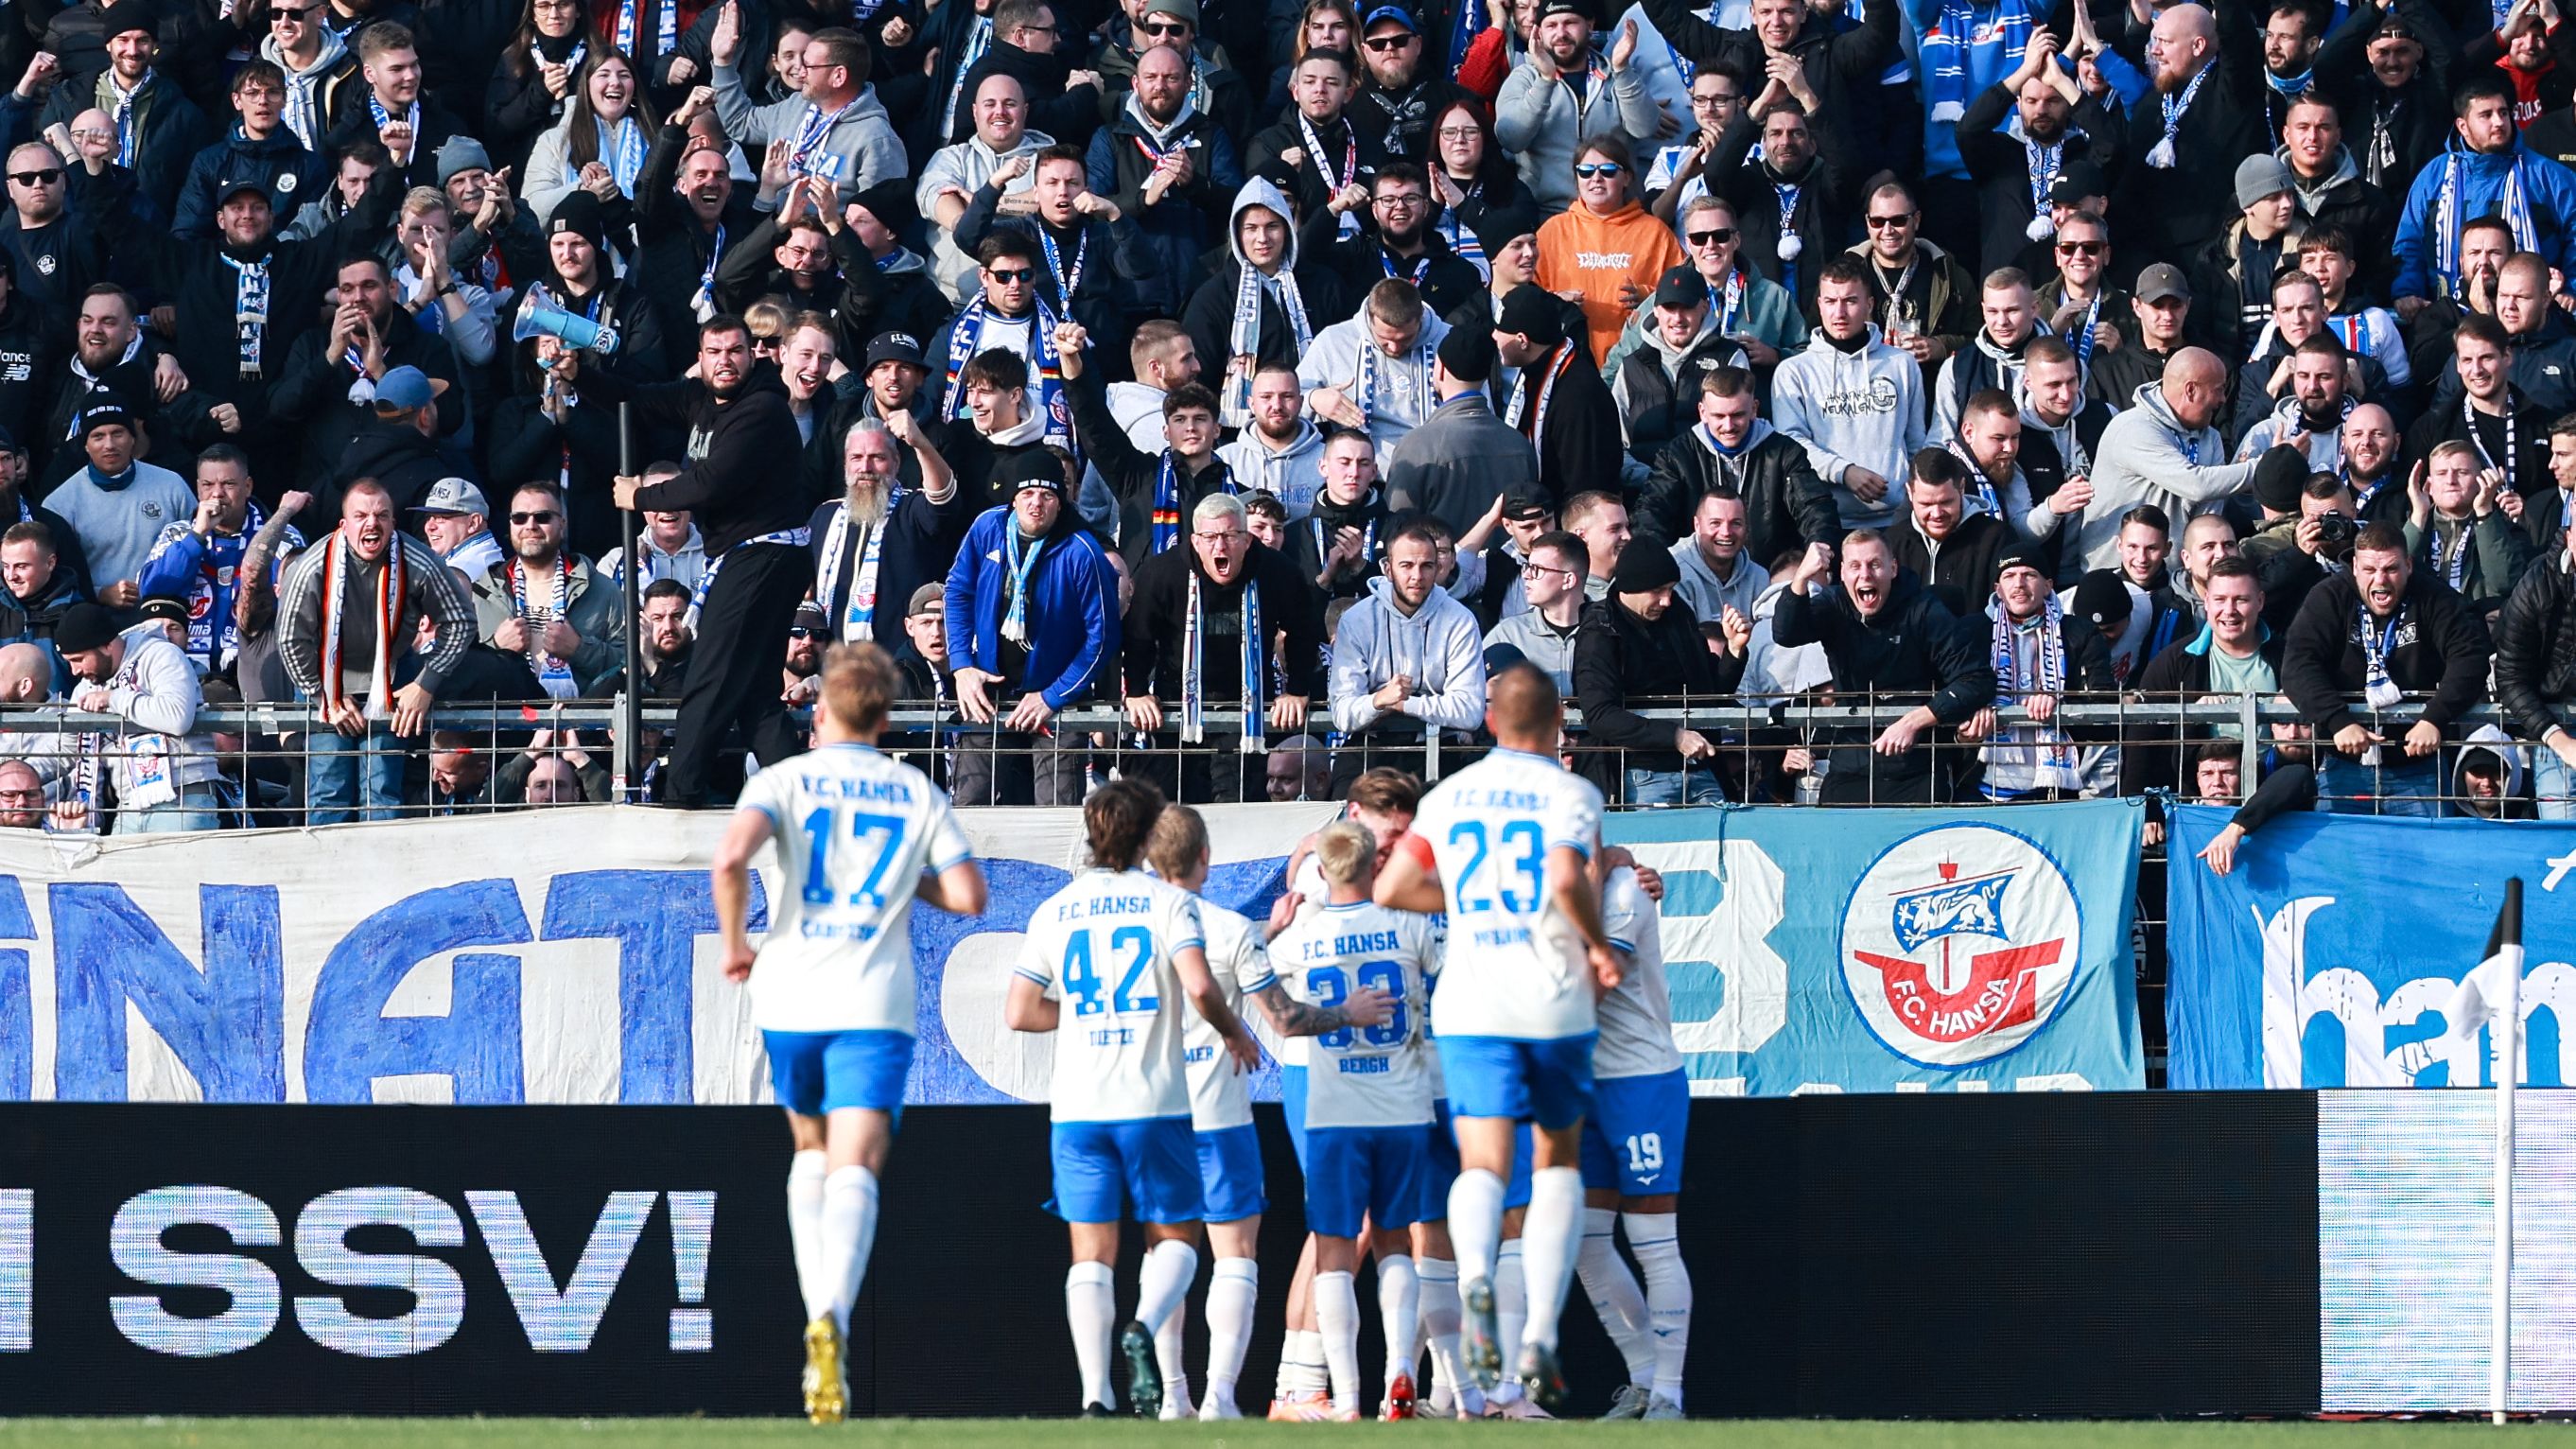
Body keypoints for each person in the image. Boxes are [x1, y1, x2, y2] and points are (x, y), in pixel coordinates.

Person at [709, 640, 989, 1424]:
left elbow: (730, 859)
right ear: (887, 716)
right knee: (856, 1164)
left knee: (809, 1151)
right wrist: (907, 879)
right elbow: (969, 895)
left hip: (790, 992)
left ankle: (814, 1320)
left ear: (822, 708)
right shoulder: (913, 791)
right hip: (873, 999)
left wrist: (735, 942)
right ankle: (831, 1315)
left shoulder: (783, 779)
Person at [1370, 661, 1619, 1411]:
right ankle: (1538, 1332)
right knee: (1555, 1162)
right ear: (1557, 725)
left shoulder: (1448, 797)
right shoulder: (1571, 792)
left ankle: (1475, 1281)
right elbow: (1565, 877)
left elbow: (1392, 888)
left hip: (1471, 1003)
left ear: (1488, 721)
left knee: (1480, 1164)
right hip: (1550, 998)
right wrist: (1599, 942)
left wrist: (1475, 900)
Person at [1001, 777, 1263, 1418]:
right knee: (1176, 1238)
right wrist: (1232, 1030)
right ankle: (1143, 1325)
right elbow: (1201, 987)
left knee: (1089, 1254)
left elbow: (1019, 1012)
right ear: (1148, 837)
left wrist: (1085, 1017)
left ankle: (1096, 1395)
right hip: (1153, 1103)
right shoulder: (1164, 903)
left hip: (1078, 1108)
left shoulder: (1054, 910)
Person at [1144, 804, 1393, 1422]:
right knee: (1234, 1257)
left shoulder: (1130, 926)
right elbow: (1283, 1016)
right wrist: (1345, 1013)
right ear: (1206, 859)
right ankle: (1219, 1397)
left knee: (1168, 1251)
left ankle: (1170, 1394)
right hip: (1217, 1109)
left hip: (1148, 1108)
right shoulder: (1229, 930)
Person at [602, 315, 812, 808]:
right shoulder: (700, 401)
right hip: (755, 557)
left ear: (754, 355)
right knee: (757, 694)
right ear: (700, 358)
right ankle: (807, 802)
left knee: (710, 677)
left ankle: (681, 798)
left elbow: (711, 482)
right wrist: (576, 373)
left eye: (735, 350)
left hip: (764, 553)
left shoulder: (761, 410)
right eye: (714, 352)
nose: (725, 360)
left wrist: (642, 494)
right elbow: (634, 395)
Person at [1265, 817, 1436, 1422]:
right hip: (1397, 1100)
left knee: (1340, 1242)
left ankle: (1345, 1396)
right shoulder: (1409, 926)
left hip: (1336, 1106)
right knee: (1395, 1239)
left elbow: (1272, 1006)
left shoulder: (1295, 942)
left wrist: (1337, 1012)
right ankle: (1396, 1379)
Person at [275, 480, 479, 823]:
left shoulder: (418, 561)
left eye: (382, 515)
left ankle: (382, 874)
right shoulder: (312, 565)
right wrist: (323, 696)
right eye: (361, 515)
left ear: (393, 523)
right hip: (324, 678)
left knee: (381, 792)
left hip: (394, 675)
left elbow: (461, 620)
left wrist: (425, 684)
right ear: (344, 525)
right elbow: (289, 638)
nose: (372, 523)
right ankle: (330, 874)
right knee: (328, 792)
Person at [1573, 846, 1688, 1421]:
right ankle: (1643, 1378)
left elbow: (1591, 983)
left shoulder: (1624, 889)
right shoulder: (1550, 892)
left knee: (1652, 1241)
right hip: (1585, 1085)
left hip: (1640, 1081)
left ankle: (1670, 1394)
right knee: (1585, 1242)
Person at [1123, 492, 1327, 803]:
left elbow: (1303, 630)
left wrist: (1297, 689)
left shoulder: (1278, 571)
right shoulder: (1162, 574)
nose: (1220, 546)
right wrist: (1137, 691)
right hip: (1178, 700)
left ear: (1247, 540)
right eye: (1210, 537)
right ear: (1195, 541)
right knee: (1174, 807)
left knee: (1239, 802)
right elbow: (1139, 635)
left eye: (1231, 536)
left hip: (1249, 701)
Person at [944, 449, 1120, 806]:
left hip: (1055, 703)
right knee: (969, 803)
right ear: (1013, 498)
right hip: (988, 692)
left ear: (1062, 500)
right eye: (1026, 494)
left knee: (1053, 813)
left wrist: (1052, 696)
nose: (1036, 504)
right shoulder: (987, 528)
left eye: (1047, 495)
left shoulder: (1083, 551)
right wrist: (962, 665)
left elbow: (1102, 638)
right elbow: (958, 591)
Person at [2281, 521, 2493, 815]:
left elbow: (2470, 658)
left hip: (2419, 766)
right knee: (2342, 860)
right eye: (2369, 570)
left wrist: (2435, 718)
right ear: (2354, 566)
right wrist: (2337, 720)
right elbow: (2298, 664)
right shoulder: (2329, 596)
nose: (2380, 581)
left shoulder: (2434, 596)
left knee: (2425, 859)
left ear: (2408, 564)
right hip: (2344, 764)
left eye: (2391, 569)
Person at [1771, 532, 1997, 802]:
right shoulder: (1835, 604)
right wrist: (1801, 579)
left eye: (1875, 564)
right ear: (1842, 572)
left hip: (1919, 766)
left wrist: (1914, 721)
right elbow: (1786, 634)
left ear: (1893, 568)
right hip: (1851, 762)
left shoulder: (1924, 609)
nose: (1865, 575)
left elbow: (1976, 679)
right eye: (1855, 566)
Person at [1573, 544, 1748, 805]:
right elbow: (1600, 714)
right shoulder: (1600, 631)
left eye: (1670, 589)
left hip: (1700, 768)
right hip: (1640, 773)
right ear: (1629, 588)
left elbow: (1709, 694)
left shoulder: (1679, 616)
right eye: (1657, 591)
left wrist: (1734, 650)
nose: (1666, 600)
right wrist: (1674, 736)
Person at [1326, 515, 1486, 795]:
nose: (1417, 576)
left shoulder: (1461, 619)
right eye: (1406, 566)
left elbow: (1470, 712)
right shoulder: (1357, 620)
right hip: (1371, 746)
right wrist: (1378, 700)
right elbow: (1342, 714)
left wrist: (1403, 704)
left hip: (1442, 746)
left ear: (1438, 568)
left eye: (1427, 566)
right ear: (1387, 569)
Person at [2392, 72, 2576, 309]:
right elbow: (2409, 243)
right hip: (2447, 318)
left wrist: (2571, 288)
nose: (2499, 122)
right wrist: (2407, 291)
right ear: (2463, 126)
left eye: (2503, 113)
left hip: (2534, 321)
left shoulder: (2548, 175)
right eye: (2486, 115)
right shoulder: (2433, 177)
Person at [1773, 254, 1928, 532]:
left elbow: (1916, 443)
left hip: (1897, 520)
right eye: (1831, 302)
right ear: (1820, 304)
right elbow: (1792, 444)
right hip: (1824, 520)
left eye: (1850, 301)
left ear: (1869, 305)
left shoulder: (1901, 364)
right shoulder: (1793, 372)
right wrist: (1845, 472)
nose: (1839, 313)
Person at [1961, 542, 2117, 802]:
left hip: (2054, 789)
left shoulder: (2080, 632)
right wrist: (1966, 726)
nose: (2019, 584)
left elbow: (2105, 706)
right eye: (2009, 576)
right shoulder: (1971, 632)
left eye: (2029, 575)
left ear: (2048, 585)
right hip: (1982, 785)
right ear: (1998, 590)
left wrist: (2060, 702)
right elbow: (1953, 690)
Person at [55, 601, 224, 832]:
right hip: (130, 804)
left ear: (106, 645)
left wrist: (114, 699)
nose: (75, 671)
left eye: (78, 659)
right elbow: (66, 750)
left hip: (182, 799)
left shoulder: (161, 655)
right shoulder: (87, 686)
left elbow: (177, 717)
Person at [137, 445, 305, 676]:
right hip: (184, 673)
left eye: (228, 484)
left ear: (247, 487)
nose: (217, 494)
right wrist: (196, 536)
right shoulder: (177, 534)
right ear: (197, 488)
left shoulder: (282, 536)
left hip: (256, 671)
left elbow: (294, 602)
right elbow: (152, 589)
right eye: (207, 485)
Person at [1640, 368, 1830, 567]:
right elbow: (1652, 512)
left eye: (1737, 415)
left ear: (1754, 409)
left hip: (1770, 574)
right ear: (1702, 412)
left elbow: (1814, 508)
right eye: (1719, 416)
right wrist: (1656, 565)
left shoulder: (1785, 452)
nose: (1728, 426)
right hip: (1695, 575)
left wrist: (1819, 553)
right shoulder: (1677, 456)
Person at [465, 480, 625, 697]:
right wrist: (496, 649)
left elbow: (630, 666)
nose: (530, 525)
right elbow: (459, 670)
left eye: (543, 517)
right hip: (505, 723)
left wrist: (580, 649)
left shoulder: (603, 589)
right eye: (520, 518)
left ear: (563, 524)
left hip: (582, 723)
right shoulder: (481, 591)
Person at [1535, 136, 1683, 368]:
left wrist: (1648, 298)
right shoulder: (1552, 231)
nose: (1596, 178)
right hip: (1567, 363)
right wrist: (1556, 299)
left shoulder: (1656, 232)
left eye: (1608, 170)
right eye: (1585, 171)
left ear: (1627, 178)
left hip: (1637, 364)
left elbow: (1683, 293)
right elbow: (1527, 297)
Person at [46, 395, 197, 606]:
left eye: (118, 433)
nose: (109, 445)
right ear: (86, 445)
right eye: (98, 436)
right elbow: (53, 575)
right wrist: (99, 594)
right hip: (97, 619)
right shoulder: (60, 503)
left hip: (166, 611)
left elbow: (198, 547)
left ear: (133, 437)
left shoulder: (172, 485)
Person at [1385, 326, 1537, 536]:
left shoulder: (1418, 444)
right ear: (1485, 377)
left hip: (1442, 566)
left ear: (1440, 369)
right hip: (1508, 566)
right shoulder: (1518, 444)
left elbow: (1397, 524)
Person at [1491, 283, 1618, 505]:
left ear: (1522, 340)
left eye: (1500, 330)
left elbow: (1585, 486)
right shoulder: (1537, 374)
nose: (1494, 336)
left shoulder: (1578, 395)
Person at [1298, 277, 1450, 463]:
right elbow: (1286, 399)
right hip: (1362, 477)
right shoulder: (1333, 341)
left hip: (1438, 469)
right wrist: (1314, 399)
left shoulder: (1449, 341)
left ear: (1421, 319)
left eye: (1405, 338)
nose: (1394, 348)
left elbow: (1479, 409)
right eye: (1385, 338)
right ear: (1370, 318)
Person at [1610, 268, 1749, 470]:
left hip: (1710, 489)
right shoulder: (1631, 367)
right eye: (1669, 308)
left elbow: (1742, 435)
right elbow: (1615, 444)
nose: (1677, 318)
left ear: (1704, 307)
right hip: (1643, 490)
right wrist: (1650, 480)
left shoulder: (1730, 357)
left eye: (1686, 307)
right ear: (1656, 310)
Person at [1888, 449, 2011, 618]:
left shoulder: (1996, 539)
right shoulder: (1891, 543)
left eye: (1946, 502)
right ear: (1910, 492)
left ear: (1961, 487)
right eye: (1926, 504)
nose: (1937, 514)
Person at [1483, 527, 1586, 695]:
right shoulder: (1508, 635)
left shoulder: (1607, 630)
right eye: (1527, 567)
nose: (1526, 575)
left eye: (1537, 569)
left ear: (1568, 580)